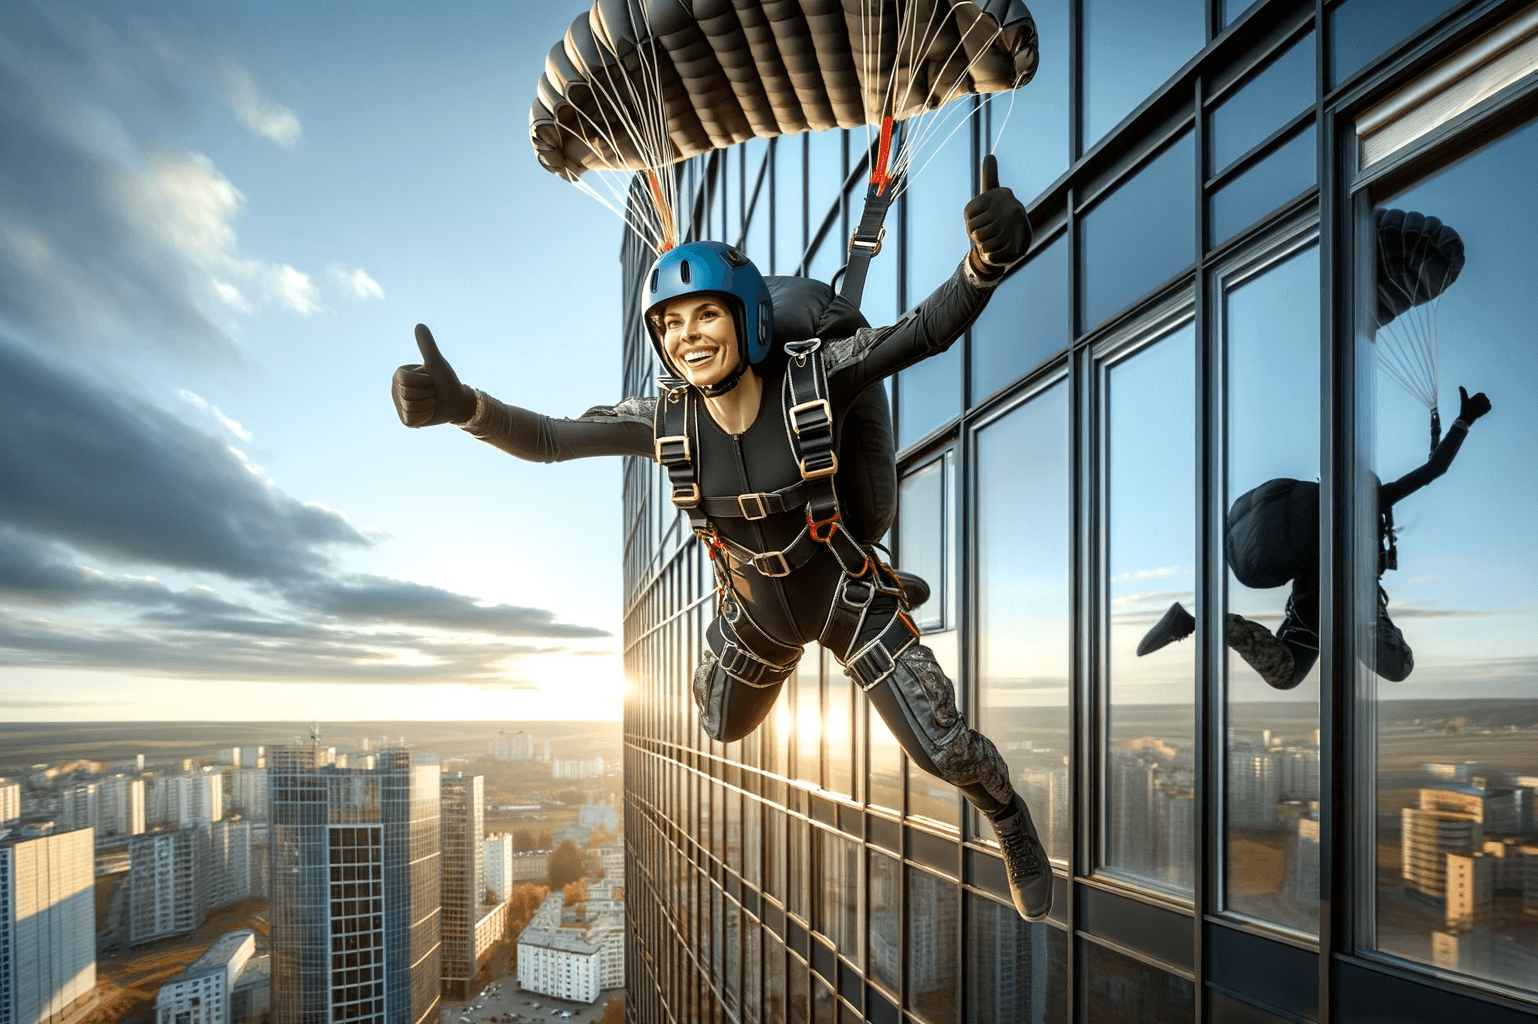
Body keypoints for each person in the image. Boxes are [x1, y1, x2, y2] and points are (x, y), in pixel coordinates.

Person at [390, 159, 1055, 922]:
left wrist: (985, 263)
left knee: (947, 750)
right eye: (669, 324)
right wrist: (465, 406)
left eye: (704, 315)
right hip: (756, 611)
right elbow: (549, 438)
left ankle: (1010, 819)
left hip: (841, 592)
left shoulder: (817, 376)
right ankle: (814, 619)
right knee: (721, 724)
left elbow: (924, 332)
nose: (686, 337)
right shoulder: (664, 421)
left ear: (750, 318)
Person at [1137, 386, 1493, 689]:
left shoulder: (1319, 512)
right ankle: (1354, 631)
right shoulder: (1371, 504)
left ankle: (1201, 624)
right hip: (1354, 607)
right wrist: (1464, 422)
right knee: (1400, 666)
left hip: (1310, 609)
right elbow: (1435, 469)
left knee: (1286, 673)